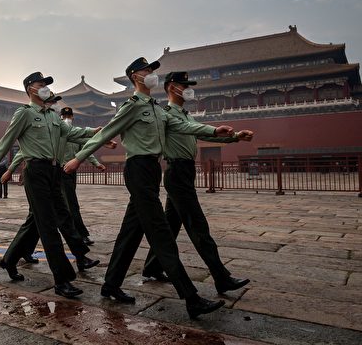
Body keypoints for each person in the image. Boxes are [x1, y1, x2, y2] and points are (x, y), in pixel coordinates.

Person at [64, 57, 233, 319]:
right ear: (135, 77)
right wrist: (78, 158)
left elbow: (183, 125)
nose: (151, 74)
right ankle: (191, 298)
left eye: (152, 70)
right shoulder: (131, 107)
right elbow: (105, 133)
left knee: (131, 231)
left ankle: (110, 285)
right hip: (138, 169)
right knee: (161, 234)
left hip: (153, 169)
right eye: (146, 71)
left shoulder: (157, 108)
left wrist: (215, 130)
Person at [0, 73, 99, 299]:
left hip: (54, 171)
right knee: (47, 226)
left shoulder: (53, 116)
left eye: (46, 85)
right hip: (36, 172)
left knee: (57, 215)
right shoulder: (24, 114)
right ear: (30, 89)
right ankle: (62, 279)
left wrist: (94, 132)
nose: (45, 88)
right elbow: (5, 141)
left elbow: (71, 133)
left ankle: (9, 260)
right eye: (41, 84)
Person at [140, 71, 252, 294]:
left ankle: (152, 266)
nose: (189, 89)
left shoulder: (185, 114)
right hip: (177, 173)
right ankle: (221, 277)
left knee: (171, 225)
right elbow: (192, 129)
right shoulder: (167, 114)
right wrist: (213, 129)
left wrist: (235, 136)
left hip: (184, 172)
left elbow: (202, 134)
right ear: (172, 88)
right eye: (185, 85)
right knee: (198, 226)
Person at [59, 106, 106, 245]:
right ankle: (81, 234)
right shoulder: (59, 133)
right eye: (64, 117)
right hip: (61, 171)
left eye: (69, 117)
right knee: (71, 204)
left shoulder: (75, 133)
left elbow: (86, 150)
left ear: (73, 117)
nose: (66, 119)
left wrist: (96, 163)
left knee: (65, 204)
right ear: (60, 118)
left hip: (72, 172)